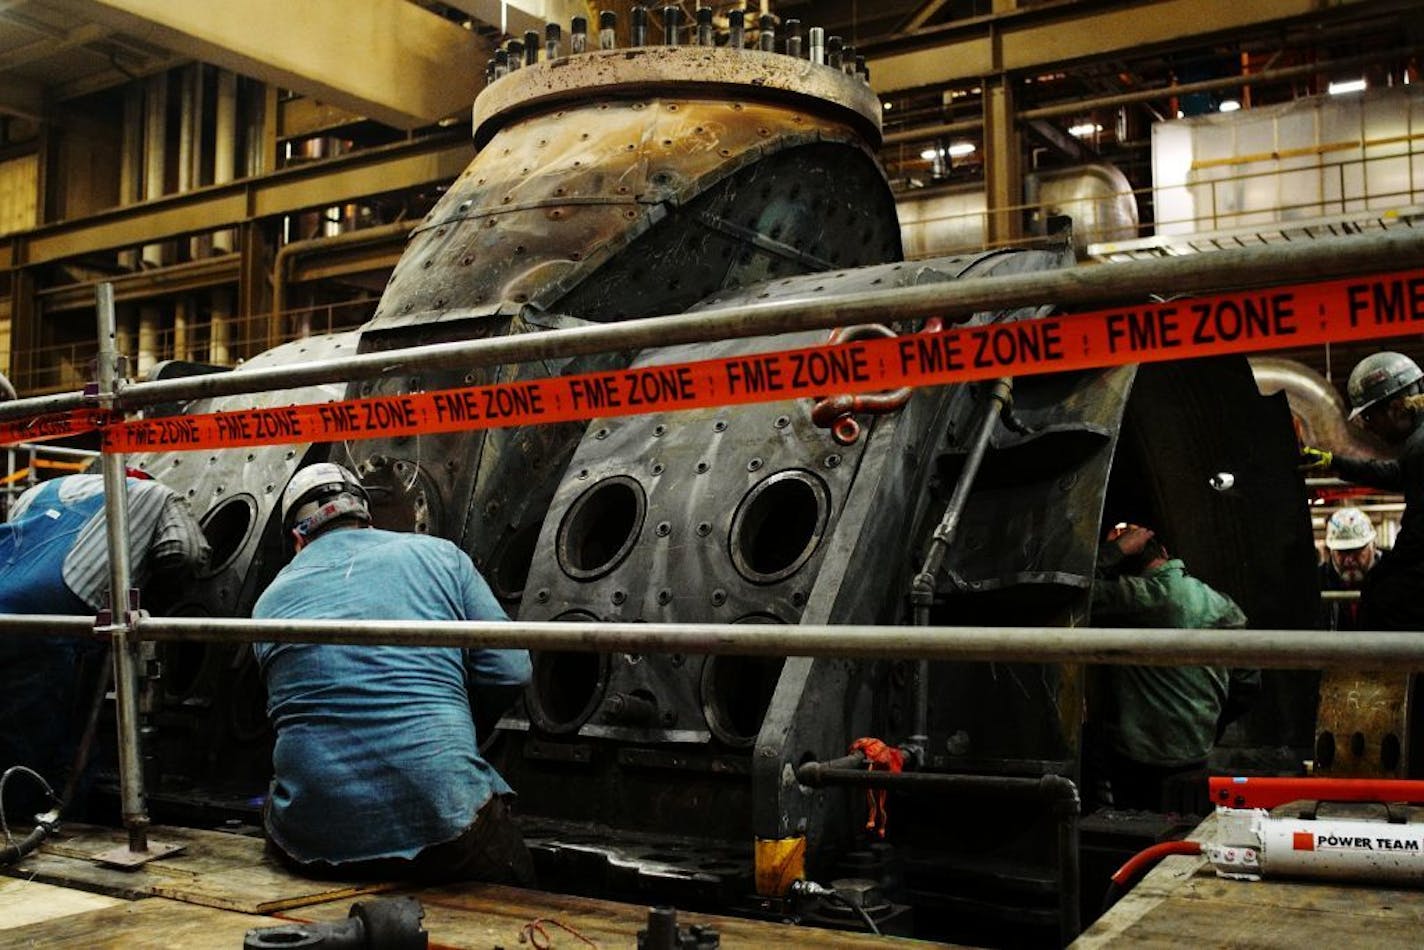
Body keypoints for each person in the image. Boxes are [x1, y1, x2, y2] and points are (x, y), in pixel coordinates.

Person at [252, 462, 534, 885]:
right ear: (366, 516)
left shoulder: (267, 604)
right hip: (448, 824)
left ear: (297, 539)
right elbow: (511, 670)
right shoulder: (441, 557)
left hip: (311, 841)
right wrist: (447, 734)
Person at [0, 471, 209, 821]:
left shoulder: (41, 489)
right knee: (57, 737)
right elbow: (183, 553)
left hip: (6, 599)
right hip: (55, 612)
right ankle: (35, 826)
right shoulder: (156, 495)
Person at [1089, 523, 1258, 812]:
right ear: (1165, 553)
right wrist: (1210, 725)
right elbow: (1248, 682)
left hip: (1140, 759)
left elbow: (1077, 591)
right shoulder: (1219, 602)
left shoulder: (1139, 597)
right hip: (1198, 752)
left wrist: (1113, 551)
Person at [1301, 352, 1424, 629]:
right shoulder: (1417, 444)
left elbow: (1418, 533)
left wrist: (1387, 568)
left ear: (1396, 408)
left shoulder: (1420, 447)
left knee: (1383, 593)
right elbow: (1399, 475)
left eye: (1369, 416)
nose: (1368, 427)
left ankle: (1381, 671)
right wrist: (1335, 463)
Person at [1318, 507, 1377, 631]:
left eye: (1357, 551)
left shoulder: (1392, 579)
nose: (1349, 560)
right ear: (1331, 552)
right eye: (1342, 552)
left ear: (1373, 547)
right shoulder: (1318, 582)